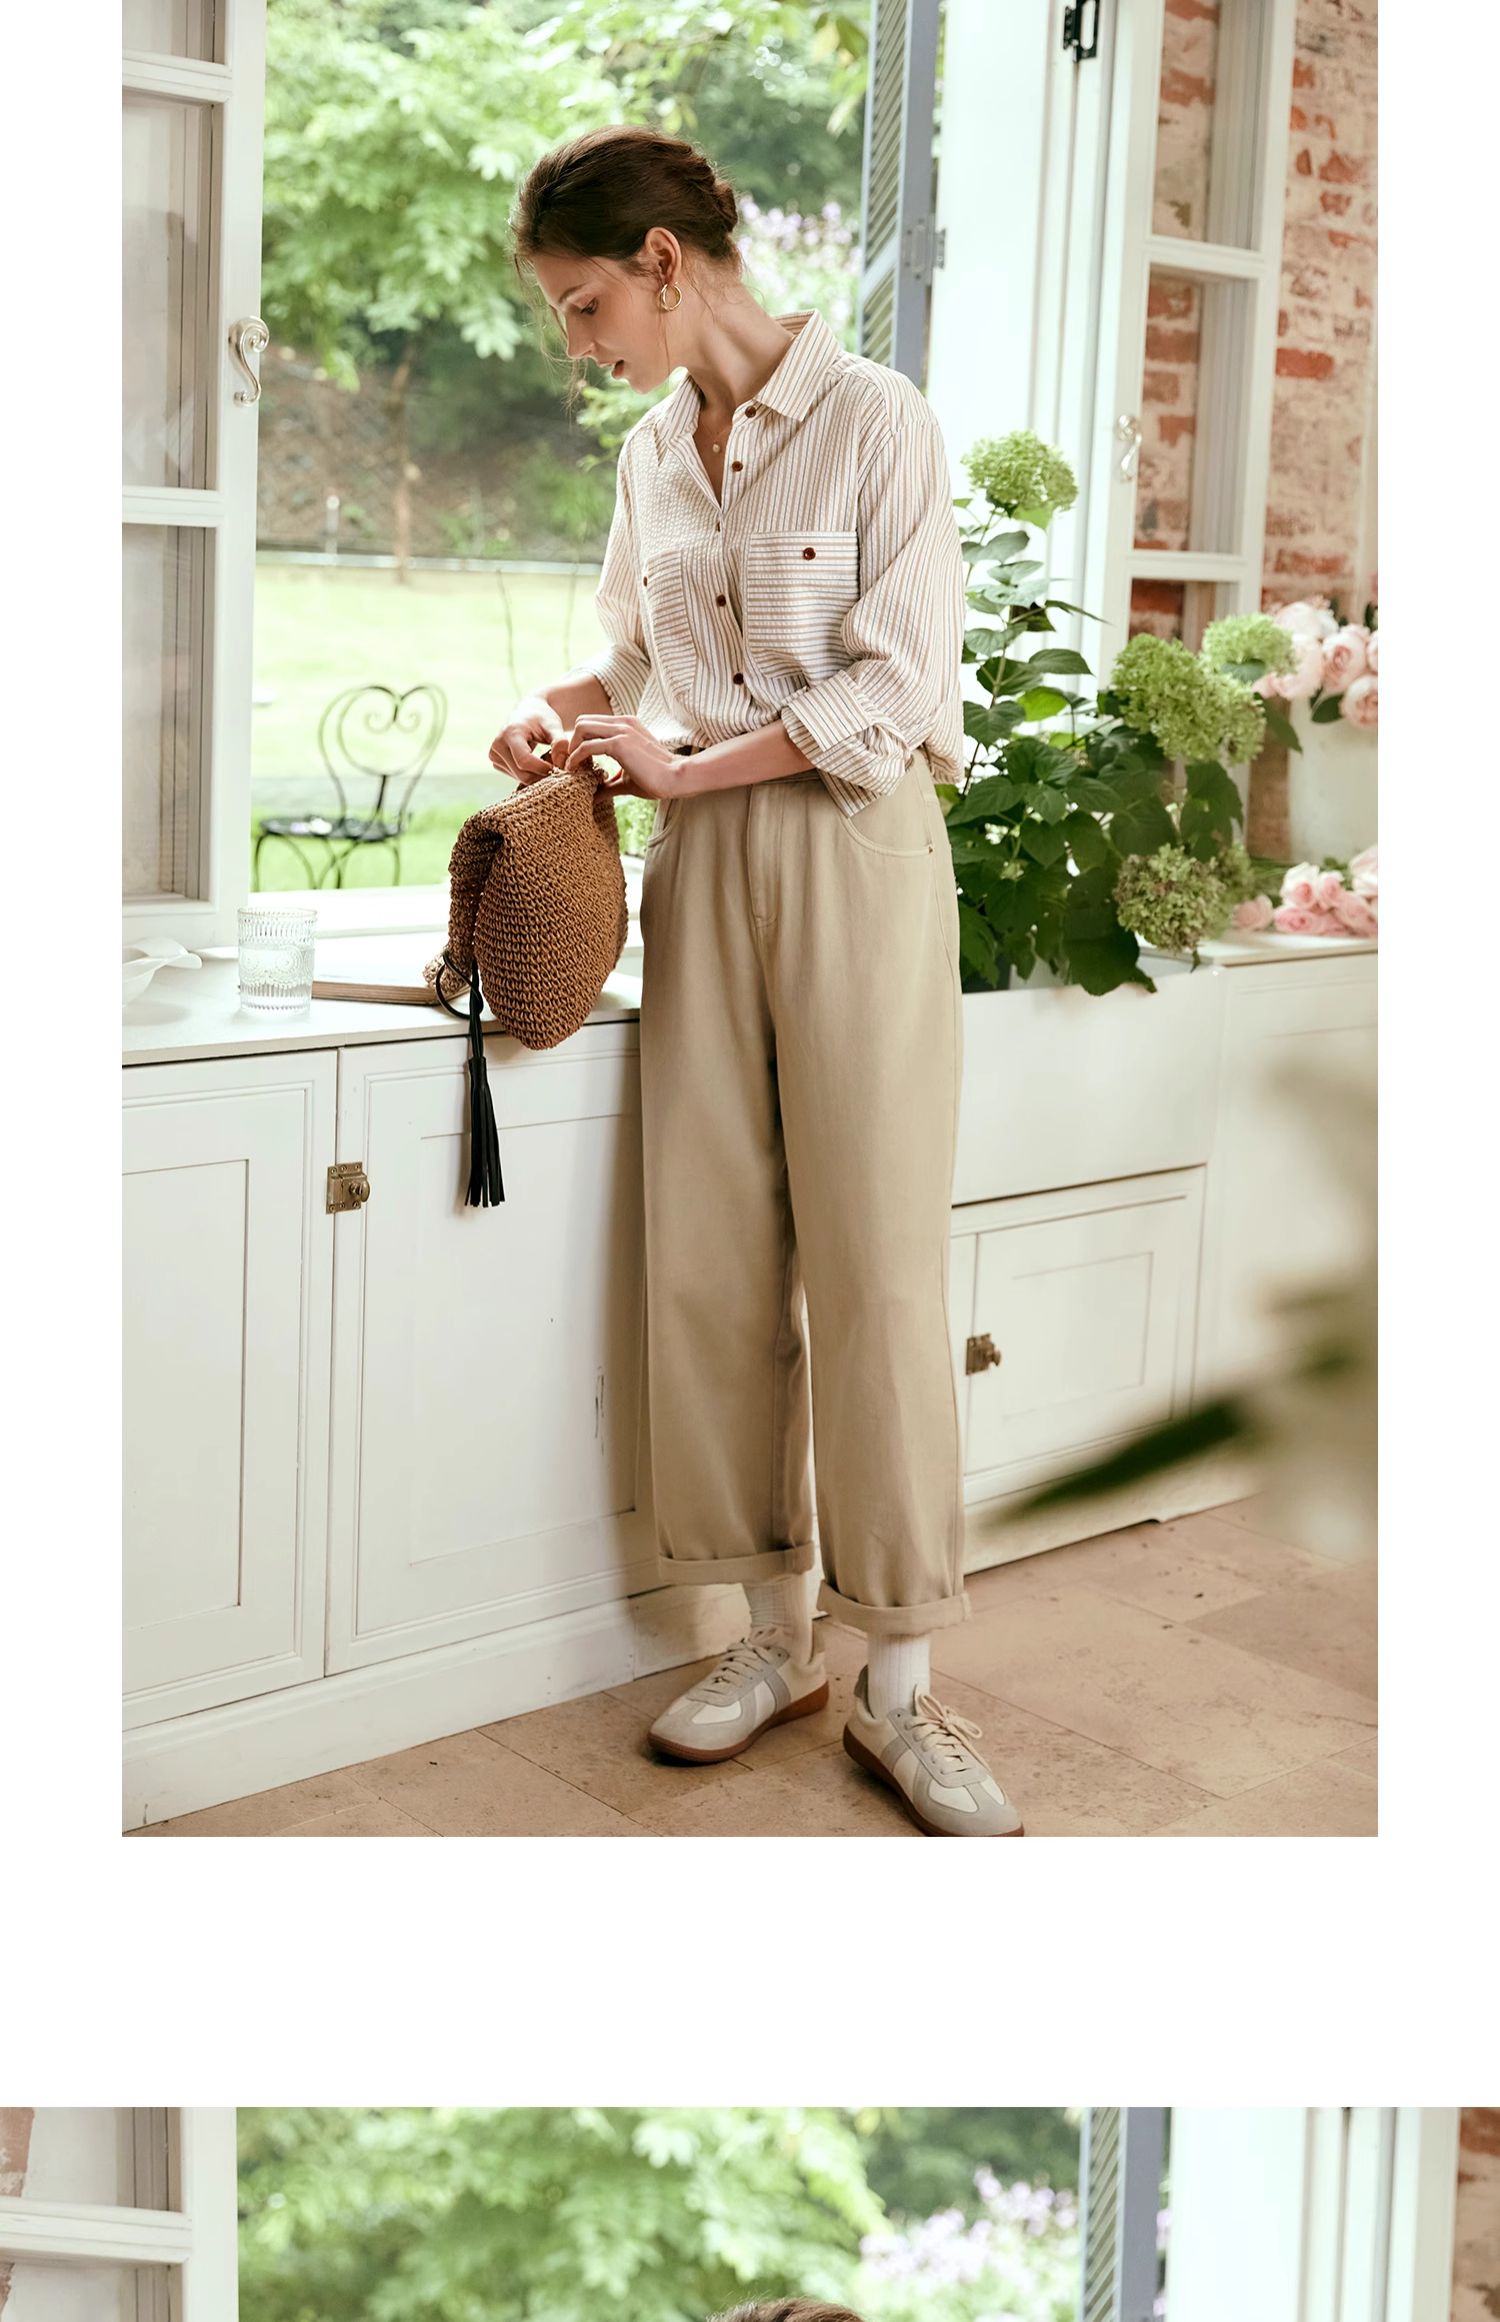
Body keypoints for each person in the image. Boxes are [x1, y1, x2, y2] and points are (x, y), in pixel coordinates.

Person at [491, 124, 1023, 1839]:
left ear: (663, 261)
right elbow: (639, 659)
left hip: (852, 848)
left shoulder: (876, 422)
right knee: (711, 1254)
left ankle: (899, 1683)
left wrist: (680, 762)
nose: (581, 343)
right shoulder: (655, 452)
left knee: (875, 1263)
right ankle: (762, 1638)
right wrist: (564, 716)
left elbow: (893, 689)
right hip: (697, 864)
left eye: (585, 305)